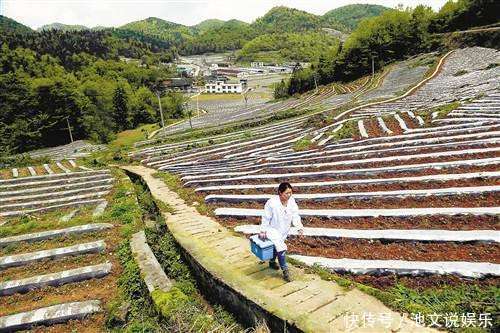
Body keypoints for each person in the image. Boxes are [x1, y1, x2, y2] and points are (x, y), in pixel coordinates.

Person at [259, 182, 304, 282]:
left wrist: (299, 226)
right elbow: (266, 217)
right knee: (281, 248)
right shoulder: (272, 203)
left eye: (290, 193)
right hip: (272, 229)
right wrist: (263, 230)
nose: (289, 195)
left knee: (277, 247)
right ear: (280, 192)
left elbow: (295, 214)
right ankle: (285, 271)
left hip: (284, 229)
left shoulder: (291, 202)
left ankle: (271, 261)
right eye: (286, 193)